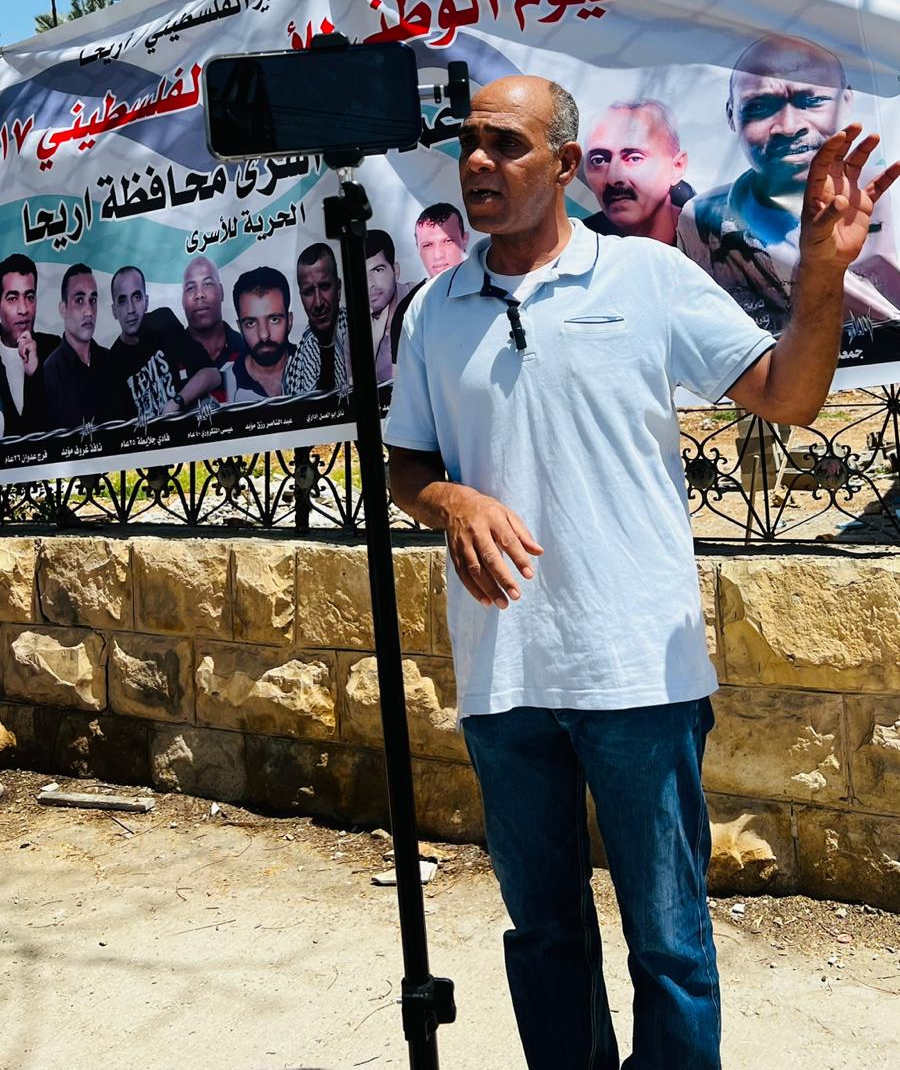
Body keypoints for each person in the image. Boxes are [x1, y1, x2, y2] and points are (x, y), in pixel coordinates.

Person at [385, 72, 899, 1070]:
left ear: (565, 166)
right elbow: (408, 464)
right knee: (544, 937)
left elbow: (789, 397)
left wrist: (821, 274)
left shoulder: (647, 277)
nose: (478, 161)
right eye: (469, 142)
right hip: (503, 677)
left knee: (668, 945)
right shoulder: (433, 311)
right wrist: (451, 501)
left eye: (506, 144)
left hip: (638, 679)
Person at [678, 34, 900, 331]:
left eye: (811, 101)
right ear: (731, 115)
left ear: (846, 101)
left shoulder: (891, 195)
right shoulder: (704, 220)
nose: (789, 127)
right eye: (760, 107)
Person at [109, 265, 221, 421]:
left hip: (186, 424)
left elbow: (213, 375)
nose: (131, 309)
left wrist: (177, 402)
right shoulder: (112, 362)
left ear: (146, 302)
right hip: (150, 435)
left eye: (136, 297)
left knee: (209, 404)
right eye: (122, 301)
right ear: (114, 310)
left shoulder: (162, 321)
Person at [582, 99, 693, 244]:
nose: (613, 178)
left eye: (634, 158)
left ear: (677, 166)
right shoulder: (577, 246)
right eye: (599, 160)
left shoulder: (713, 241)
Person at [43, 263, 129, 432]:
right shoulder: (50, 373)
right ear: (63, 309)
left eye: (93, 300)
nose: (89, 311)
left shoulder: (111, 362)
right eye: (79, 300)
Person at [390, 203, 470, 361]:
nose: (438, 255)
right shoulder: (409, 309)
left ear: (465, 240)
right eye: (428, 245)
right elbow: (402, 374)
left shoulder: (490, 289)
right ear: (418, 249)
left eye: (447, 241)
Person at [0, 253, 59, 437]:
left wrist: (36, 373)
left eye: (30, 297)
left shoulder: (55, 349)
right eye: (12, 298)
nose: (24, 309)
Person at [283, 243, 351, 398]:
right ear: (301, 297)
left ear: (338, 289)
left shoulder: (364, 337)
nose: (318, 303)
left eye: (324, 287)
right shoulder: (294, 369)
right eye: (308, 292)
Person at [224, 266, 295, 402]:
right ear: (240, 327)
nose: (264, 335)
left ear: (290, 321)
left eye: (274, 320)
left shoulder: (315, 365)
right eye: (251, 323)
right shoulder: (225, 384)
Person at [181, 255, 245, 401]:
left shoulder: (247, 350)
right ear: (182, 301)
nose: (199, 294)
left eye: (207, 284)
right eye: (190, 288)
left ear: (221, 291)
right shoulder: (170, 359)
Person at [365, 228, 410, 385]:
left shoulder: (420, 301)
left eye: (378, 270)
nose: (369, 284)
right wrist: (373, 344)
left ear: (395, 271)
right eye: (361, 274)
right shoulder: (354, 334)